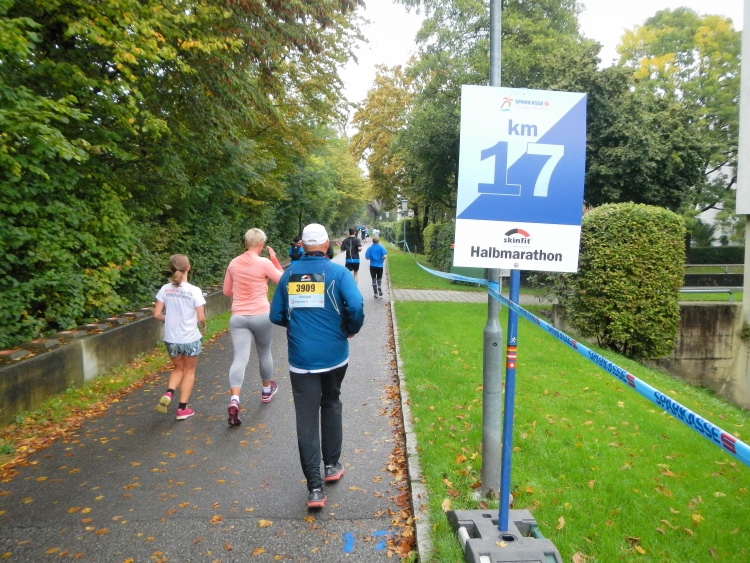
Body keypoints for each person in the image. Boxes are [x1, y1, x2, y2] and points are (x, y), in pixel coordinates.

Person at [270, 223, 365, 509]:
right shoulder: (338, 273)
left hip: (301, 358)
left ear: (302, 246)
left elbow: (276, 315)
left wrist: (297, 326)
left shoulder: (288, 274)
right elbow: (355, 306)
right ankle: (331, 465)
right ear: (326, 245)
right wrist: (350, 329)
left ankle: (314, 488)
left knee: (306, 418)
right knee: (331, 402)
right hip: (334, 354)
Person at [223, 228, 284, 427]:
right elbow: (283, 281)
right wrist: (274, 260)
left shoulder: (233, 263)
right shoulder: (264, 262)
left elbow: (227, 291)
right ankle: (266, 391)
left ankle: (234, 399)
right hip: (261, 315)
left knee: (240, 358)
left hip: (238, 317)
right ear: (261, 244)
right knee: (264, 352)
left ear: (245, 243)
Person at [154, 254, 206, 420]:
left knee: (178, 368)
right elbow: (201, 317)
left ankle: (169, 393)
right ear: (188, 268)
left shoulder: (165, 289)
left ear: (171, 269)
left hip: (171, 339)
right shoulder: (194, 291)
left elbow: (157, 314)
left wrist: (168, 320)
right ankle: (182, 409)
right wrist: (203, 327)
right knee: (189, 371)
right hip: (190, 338)